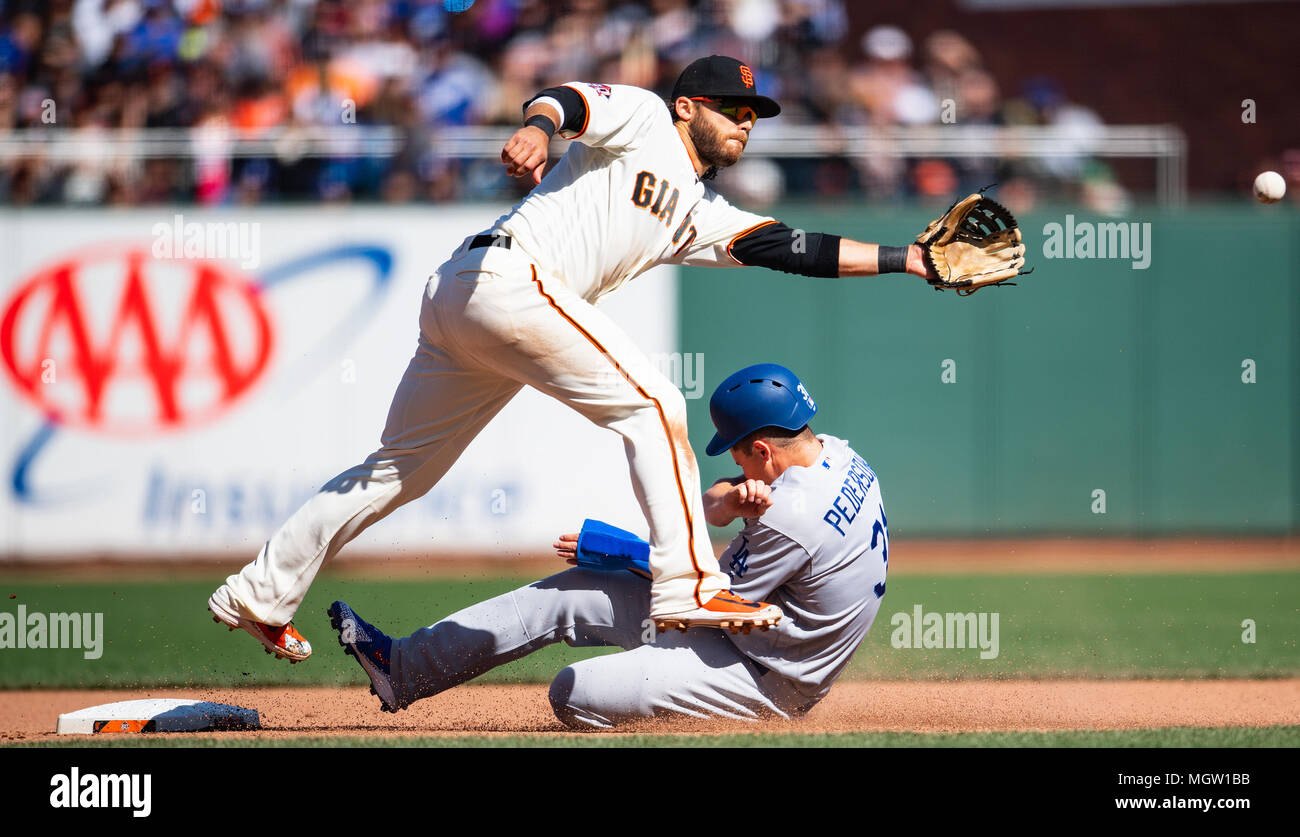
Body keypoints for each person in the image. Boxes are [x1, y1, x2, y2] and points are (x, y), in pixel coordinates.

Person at [207, 55, 929, 662]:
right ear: (687, 106)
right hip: (504, 280)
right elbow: (569, 100)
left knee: (397, 471)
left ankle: (258, 591)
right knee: (654, 405)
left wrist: (910, 258)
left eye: (754, 113)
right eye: (732, 106)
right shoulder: (647, 117)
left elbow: (796, 249)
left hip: (474, 303)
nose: (746, 119)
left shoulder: (698, 211)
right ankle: (686, 582)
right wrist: (536, 126)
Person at [327, 363, 889, 727]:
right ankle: (402, 667)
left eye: (738, 454)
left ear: (763, 450)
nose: (733, 464)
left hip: (768, 679)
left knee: (573, 693)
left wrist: (622, 548)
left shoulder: (791, 518)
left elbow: (704, 593)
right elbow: (718, 502)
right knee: (568, 593)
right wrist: (727, 503)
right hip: (758, 638)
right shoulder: (837, 453)